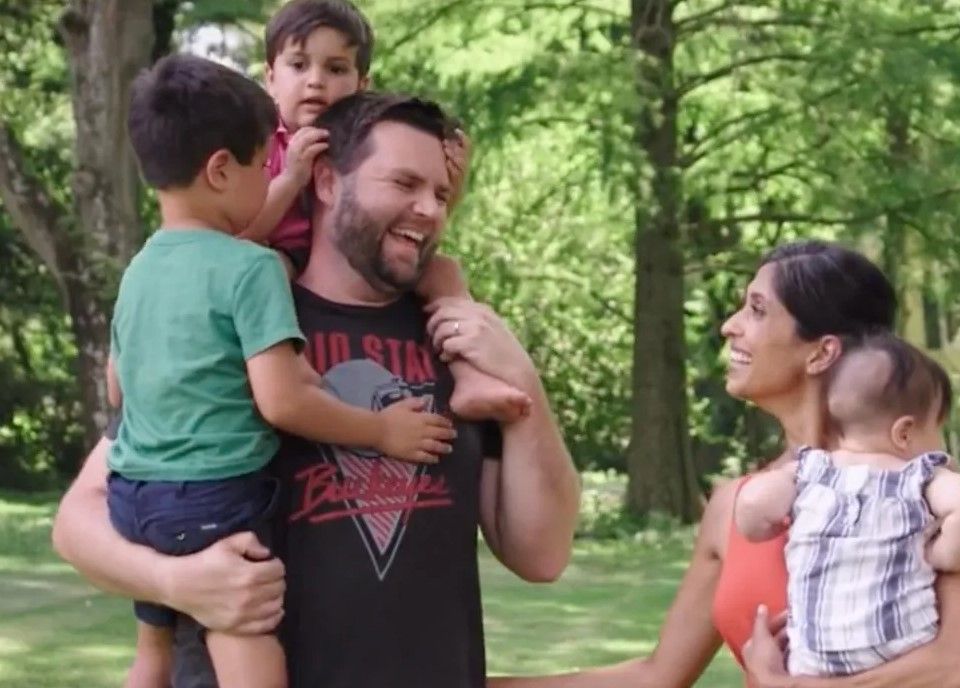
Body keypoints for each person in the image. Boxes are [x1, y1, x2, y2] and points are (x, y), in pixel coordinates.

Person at [52, 91, 581, 688]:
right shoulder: (234, 314)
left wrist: (523, 381)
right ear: (327, 181)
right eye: (404, 183)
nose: (429, 209)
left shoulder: (457, 341)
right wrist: (173, 583)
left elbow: (542, 554)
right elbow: (77, 521)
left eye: (439, 193)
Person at [492, 241, 960, 688]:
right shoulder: (736, 506)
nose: (729, 325)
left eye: (757, 310)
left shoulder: (911, 487)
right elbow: (656, 678)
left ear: (821, 352)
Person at [108, 54, 458, 688]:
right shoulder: (252, 270)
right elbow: (281, 402)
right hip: (215, 500)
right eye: (262, 167)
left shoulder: (140, 272)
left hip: (137, 496)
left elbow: (118, 386)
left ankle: (149, 662)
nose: (275, 182)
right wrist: (380, 432)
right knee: (249, 641)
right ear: (222, 171)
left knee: (155, 656)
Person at [237, 0, 530, 423]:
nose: (316, 82)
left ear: (361, 82)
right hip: (276, 252)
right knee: (268, 271)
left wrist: (452, 183)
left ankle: (471, 374)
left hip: (349, 259)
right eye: (299, 65)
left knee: (444, 270)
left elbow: (410, 217)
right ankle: (286, 366)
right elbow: (243, 230)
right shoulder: (263, 144)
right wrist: (292, 178)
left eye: (336, 69)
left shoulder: (369, 141)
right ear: (270, 77)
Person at [735, 333, 960, 677]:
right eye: (936, 429)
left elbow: (751, 503)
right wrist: (944, 554)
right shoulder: (918, 476)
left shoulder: (810, 471)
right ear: (904, 433)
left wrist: (764, 526)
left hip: (813, 658)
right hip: (901, 645)